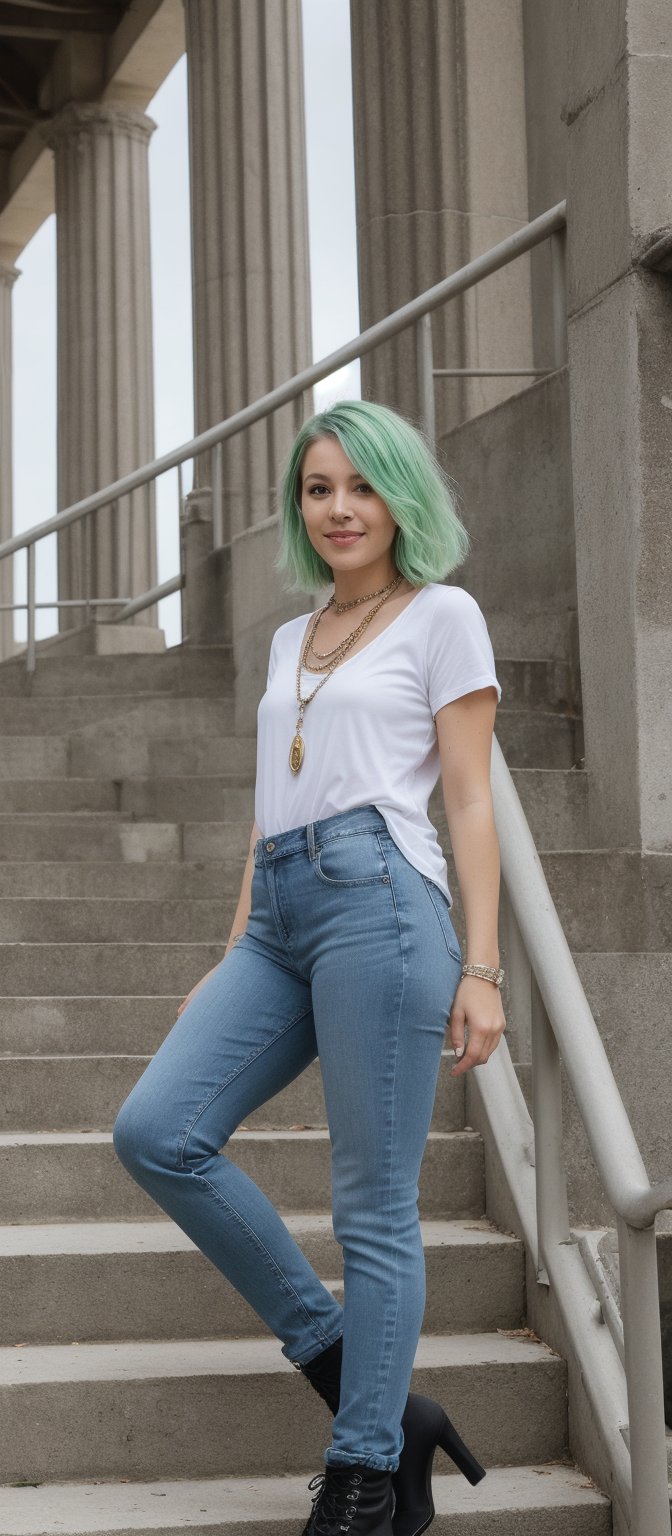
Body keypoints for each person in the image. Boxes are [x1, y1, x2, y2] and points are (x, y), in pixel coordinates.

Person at [112, 398, 507, 1536]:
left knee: (372, 1205)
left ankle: (363, 1478)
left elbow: (470, 797)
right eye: (319, 488)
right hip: (282, 906)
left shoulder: (444, 617)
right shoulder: (291, 639)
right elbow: (268, 809)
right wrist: (233, 946)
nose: (340, 509)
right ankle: (355, 1373)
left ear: (401, 497)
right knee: (157, 1131)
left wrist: (482, 968)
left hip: (383, 899)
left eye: (363, 486)